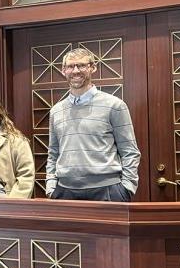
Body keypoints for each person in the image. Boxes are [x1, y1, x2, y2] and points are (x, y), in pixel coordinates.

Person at [46, 46, 140, 201]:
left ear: (93, 68)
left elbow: (130, 151)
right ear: (63, 71)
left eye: (81, 65)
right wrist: (51, 187)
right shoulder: (56, 111)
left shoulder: (114, 105)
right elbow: (53, 153)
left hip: (108, 191)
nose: (76, 71)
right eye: (70, 66)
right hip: (64, 192)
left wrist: (127, 189)